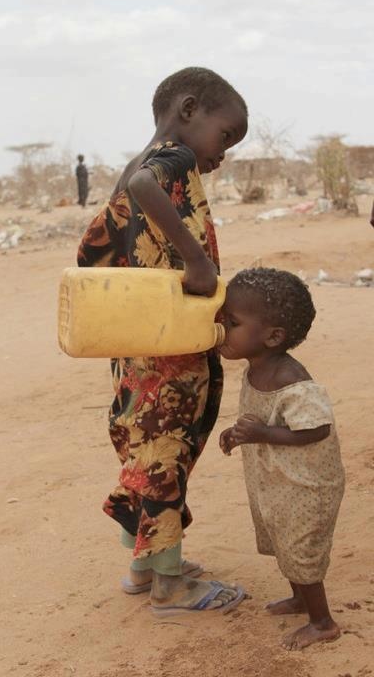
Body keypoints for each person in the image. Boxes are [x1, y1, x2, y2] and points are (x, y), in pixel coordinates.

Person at [77, 66, 248, 613]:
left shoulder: (139, 163)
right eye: (225, 137)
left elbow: (106, 243)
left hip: (139, 344)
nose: (222, 154)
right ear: (190, 108)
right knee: (166, 454)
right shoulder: (168, 161)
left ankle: (145, 566)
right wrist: (196, 262)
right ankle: (171, 587)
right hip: (168, 352)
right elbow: (143, 188)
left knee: (147, 451)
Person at [219, 267, 345, 649]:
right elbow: (263, 417)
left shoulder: (291, 377)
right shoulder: (257, 366)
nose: (221, 328)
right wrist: (239, 433)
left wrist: (259, 434)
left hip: (307, 485)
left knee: (300, 549)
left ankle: (322, 622)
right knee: (284, 542)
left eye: (232, 322)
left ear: (273, 336)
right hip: (278, 480)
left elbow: (316, 428)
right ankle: (298, 598)